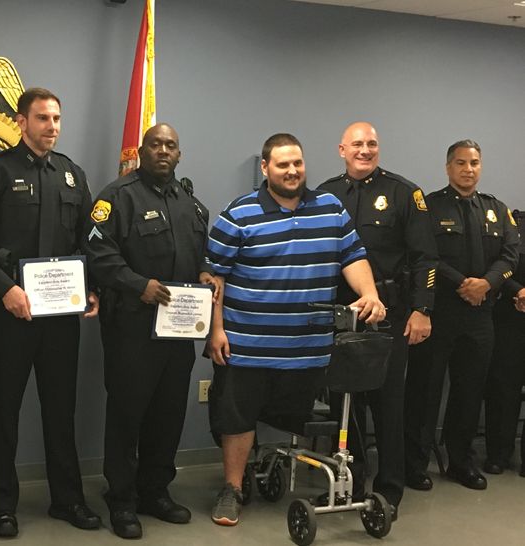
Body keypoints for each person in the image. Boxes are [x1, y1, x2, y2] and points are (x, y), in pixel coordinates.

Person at [206, 133, 384, 527]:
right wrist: (215, 330)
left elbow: (352, 256)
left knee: (297, 418)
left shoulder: (330, 209)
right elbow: (212, 276)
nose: (292, 171)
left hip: (309, 349)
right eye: (282, 164)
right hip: (246, 345)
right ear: (265, 168)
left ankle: (289, 471)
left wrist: (369, 292)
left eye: (297, 163)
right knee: (238, 419)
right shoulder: (238, 213)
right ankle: (232, 489)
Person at [0, 87, 101, 537]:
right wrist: (4, 289)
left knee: (61, 410)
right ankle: (3, 504)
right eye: (42, 118)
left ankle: (68, 500)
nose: (52, 127)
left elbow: (88, 242)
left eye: (57, 119)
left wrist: (90, 288)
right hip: (12, 314)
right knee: (5, 411)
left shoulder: (72, 176)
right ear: (21, 122)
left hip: (60, 317)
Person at [85, 123, 218, 539]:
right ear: (141, 150)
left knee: (168, 412)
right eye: (156, 144)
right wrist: (136, 284)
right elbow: (96, 253)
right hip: (131, 329)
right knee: (127, 415)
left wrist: (205, 273)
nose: (163, 151)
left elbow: (202, 255)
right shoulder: (117, 197)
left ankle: (155, 492)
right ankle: (121, 499)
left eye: (170, 146)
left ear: (179, 155)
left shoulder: (192, 205)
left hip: (178, 329)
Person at [318, 122, 436, 514]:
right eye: (357, 144)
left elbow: (425, 259)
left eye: (371, 143)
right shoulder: (326, 194)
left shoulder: (405, 193)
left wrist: (423, 309)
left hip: (391, 312)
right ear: (342, 149)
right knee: (344, 403)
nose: (365, 150)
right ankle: (349, 483)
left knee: (388, 402)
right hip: (340, 315)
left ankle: (388, 489)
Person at [404, 140, 518, 491]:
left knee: (470, 392)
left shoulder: (496, 209)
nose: (468, 169)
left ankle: (460, 462)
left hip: (482, 316)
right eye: (460, 163)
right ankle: (414, 464)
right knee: (425, 391)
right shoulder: (429, 206)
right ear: (448, 167)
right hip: (439, 313)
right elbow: (424, 255)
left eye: (474, 163)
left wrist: (487, 283)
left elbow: (511, 255)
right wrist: (462, 284)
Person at [483, 208, 525, 476]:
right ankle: (498, 454)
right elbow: (499, 265)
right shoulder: (513, 221)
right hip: (511, 318)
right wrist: (518, 291)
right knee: (503, 390)